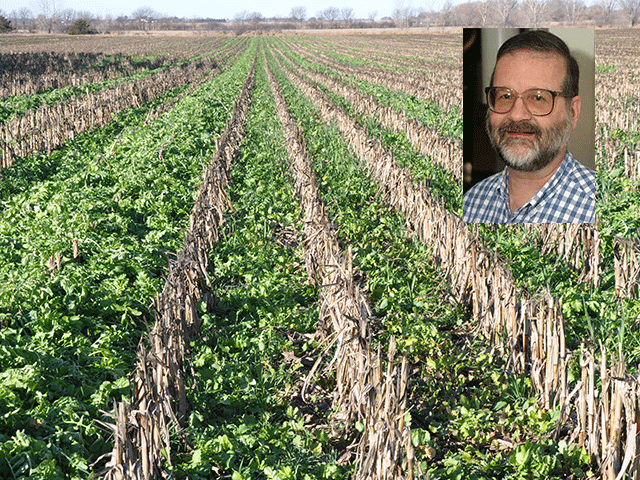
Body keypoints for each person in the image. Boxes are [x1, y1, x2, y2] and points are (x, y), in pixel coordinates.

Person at [463, 30, 595, 223]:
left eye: (538, 98)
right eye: (505, 96)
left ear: (573, 112)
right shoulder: (471, 203)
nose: (517, 115)